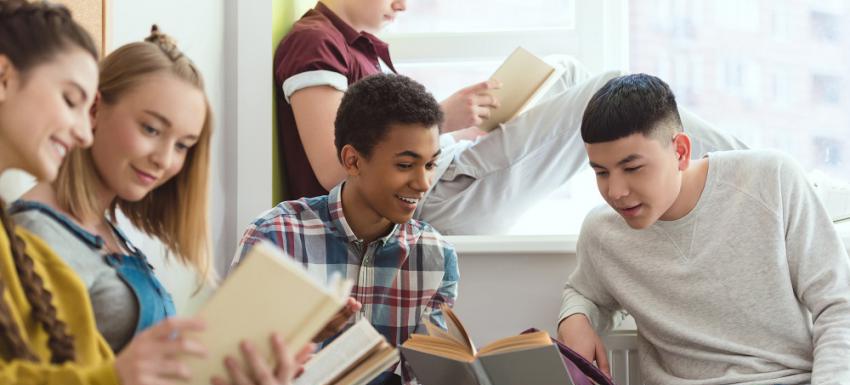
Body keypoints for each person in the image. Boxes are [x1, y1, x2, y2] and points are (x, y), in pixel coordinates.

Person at [12, 24, 470, 385]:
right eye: (152, 129)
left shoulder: (116, 240)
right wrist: (121, 381)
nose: (166, 159)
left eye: (183, 145)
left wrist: (272, 378)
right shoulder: (37, 238)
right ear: (93, 111)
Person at [236, 72, 530, 385]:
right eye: (407, 165)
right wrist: (306, 331)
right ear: (353, 160)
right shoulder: (276, 236)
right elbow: (236, 368)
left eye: (430, 165)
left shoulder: (435, 254)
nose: (423, 183)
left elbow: (423, 379)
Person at [556, 73, 850, 385]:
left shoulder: (771, 179)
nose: (616, 191)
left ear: (679, 151)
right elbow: (583, 290)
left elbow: (839, 306)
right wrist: (574, 316)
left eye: (632, 168)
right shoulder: (603, 233)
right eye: (601, 172)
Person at [274, 0, 748, 234]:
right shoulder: (315, 45)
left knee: (567, 72)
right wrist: (444, 118)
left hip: (444, 177)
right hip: (433, 201)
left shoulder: (358, 49)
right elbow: (336, 171)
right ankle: (753, 167)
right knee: (606, 87)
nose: (404, 3)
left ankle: (750, 169)